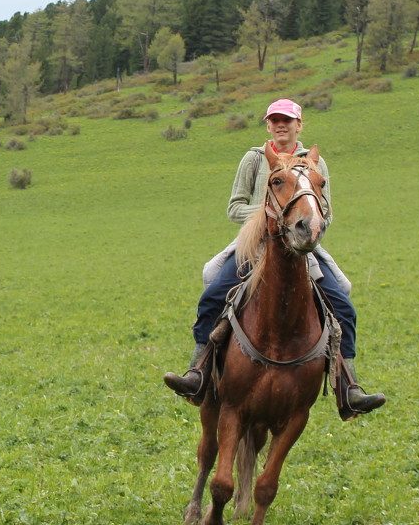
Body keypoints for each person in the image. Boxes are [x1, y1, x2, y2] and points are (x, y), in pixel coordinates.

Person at [164, 98, 385, 415]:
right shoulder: (254, 160)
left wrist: (299, 222)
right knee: (213, 294)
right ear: (268, 125)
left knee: (343, 305)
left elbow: (325, 213)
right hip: (254, 245)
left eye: (288, 120)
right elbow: (235, 208)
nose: (282, 125)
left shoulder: (314, 163)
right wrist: (272, 214)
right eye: (275, 120)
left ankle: (349, 388)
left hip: (300, 246)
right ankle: (197, 373)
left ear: (299, 124)